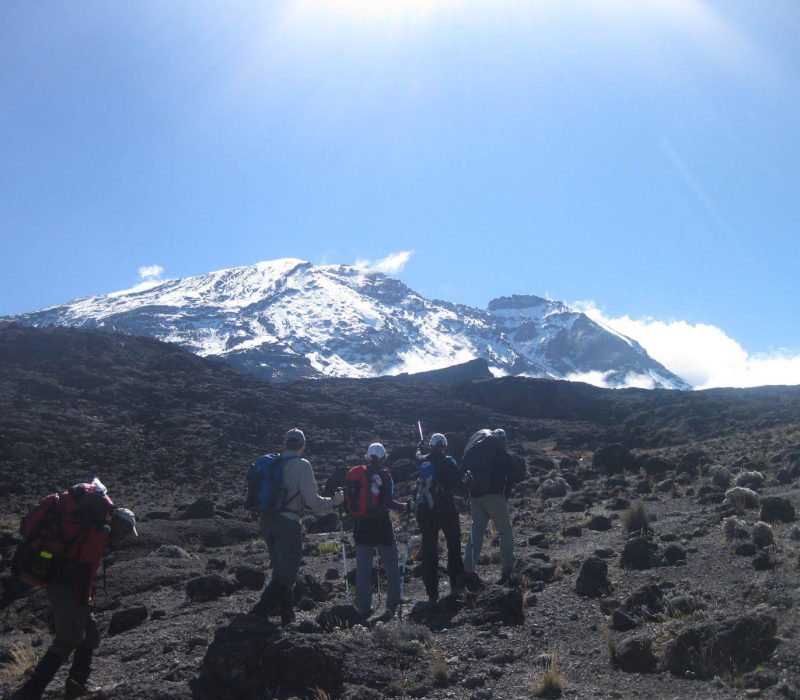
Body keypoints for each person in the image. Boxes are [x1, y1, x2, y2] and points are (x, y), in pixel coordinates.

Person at [10, 479, 138, 700]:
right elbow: (86, 569)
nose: (125, 536)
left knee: (91, 635)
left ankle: (76, 685)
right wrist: (84, 598)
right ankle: (30, 692)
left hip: (66, 581)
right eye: (126, 530)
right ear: (119, 523)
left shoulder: (90, 524)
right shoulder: (98, 532)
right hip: (65, 585)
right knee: (68, 638)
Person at [250, 428, 344, 625]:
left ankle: (288, 617)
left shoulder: (273, 463)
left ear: (285, 444)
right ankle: (258, 612)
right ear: (303, 445)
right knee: (287, 574)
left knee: (279, 571)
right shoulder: (302, 465)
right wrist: (334, 501)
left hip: (266, 521)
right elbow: (313, 502)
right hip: (287, 523)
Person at [351, 443, 408, 622]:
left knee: (363, 567)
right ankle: (393, 601)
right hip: (381, 524)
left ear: (367, 456)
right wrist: (404, 506)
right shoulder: (385, 475)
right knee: (391, 563)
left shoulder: (357, 475)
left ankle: (362, 606)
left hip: (361, 525)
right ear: (384, 457)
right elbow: (388, 502)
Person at [462, 428, 525, 586]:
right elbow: (514, 475)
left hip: (475, 496)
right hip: (494, 497)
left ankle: (468, 569)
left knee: (476, 532)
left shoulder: (478, 450)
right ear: (503, 440)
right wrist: (507, 491)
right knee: (505, 531)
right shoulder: (501, 454)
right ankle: (507, 569)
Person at [415, 433, 465, 603]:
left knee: (429, 549)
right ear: (444, 446)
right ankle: (456, 586)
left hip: (425, 510)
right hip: (446, 509)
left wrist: (419, 446)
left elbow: (417, 456)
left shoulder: (423, 461)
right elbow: (459, 484)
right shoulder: (448, 462)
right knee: (454, 545)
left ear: (430, 446)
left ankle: (432, 593)